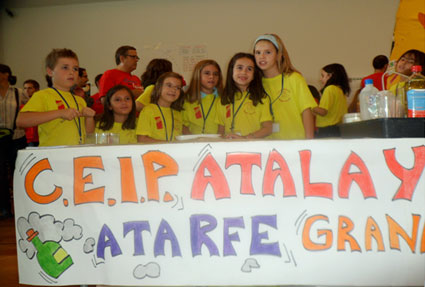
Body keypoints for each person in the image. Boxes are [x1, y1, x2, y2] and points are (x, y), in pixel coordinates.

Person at [17, 48, 95, 146]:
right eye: (65, 67)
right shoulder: (43, 95)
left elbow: (89, 133)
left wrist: (89, 118)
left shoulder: (79, 100)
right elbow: (21, 120)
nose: (71, 72)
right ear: (50, 72)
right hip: (52, 155)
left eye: (75, 69)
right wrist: (59, 113)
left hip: (77, 153)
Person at [253, 34, 317, 140]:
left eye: (268, 52)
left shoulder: (294, 78)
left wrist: (309, 143)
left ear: (279, 55)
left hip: (295, 143)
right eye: (258, 52)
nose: (262, 56)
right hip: (266, 147)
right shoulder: (255, 84)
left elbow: (306, 112)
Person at [215, 53, 272, 139]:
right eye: (239, 68)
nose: (244, 72)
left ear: (254, 74)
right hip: (230, 148)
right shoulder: (222, 100)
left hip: (255, 148)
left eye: (249, 69)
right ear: (232, 71)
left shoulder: (261, 98)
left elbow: (268, 128)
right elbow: (220, 131)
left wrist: (245, 138)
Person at [0, 64, 29, 218]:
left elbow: (31, 108)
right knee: (1, 175)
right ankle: (4, 208)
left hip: (17, 137)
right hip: (0, 138)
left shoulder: (18, 92)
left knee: (18, 173)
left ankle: (21, 207)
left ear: (6, 74)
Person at [136, 72, 184, 143]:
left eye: (177, 87)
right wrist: (167, 144)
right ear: (159, 87)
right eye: (169, 85)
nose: (173, 90)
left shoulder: (177, 113)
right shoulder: (148, 110)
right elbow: (142, 139)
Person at [182, 59, 223, 135]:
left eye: (215, 74)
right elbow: (184, 125)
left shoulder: (223, 99)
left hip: (218, 143)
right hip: (193, 143)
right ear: (198, 75)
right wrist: (193, 141)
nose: (211, 77)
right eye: (207, 73)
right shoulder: (187, 99)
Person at [312, 63, 350, 138]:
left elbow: (323, 112)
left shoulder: (329, 89)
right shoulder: (340, 90)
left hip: (327, 130)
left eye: (323, 76)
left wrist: (309, 104)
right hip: (339, 129)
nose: (320, 79)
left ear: (330, 76)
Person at [22, 79, 40, 146]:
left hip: (39, 137)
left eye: (30, 88)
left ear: (36, 89)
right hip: (26, 138)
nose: (27, 90)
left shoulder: (41, 103)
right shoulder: (20, 104)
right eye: (25, 88)